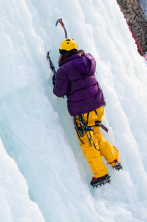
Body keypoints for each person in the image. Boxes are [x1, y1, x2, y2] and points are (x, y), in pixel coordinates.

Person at [52, 37, 122, 187]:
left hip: (83, 110)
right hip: (98, 106)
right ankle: (114, 159)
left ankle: (100, 174)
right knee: (96, 134)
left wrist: (55, 80)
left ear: (62, 53)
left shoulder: (63, 71)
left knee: (88, 142)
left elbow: (59, 92)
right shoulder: (89, 60)